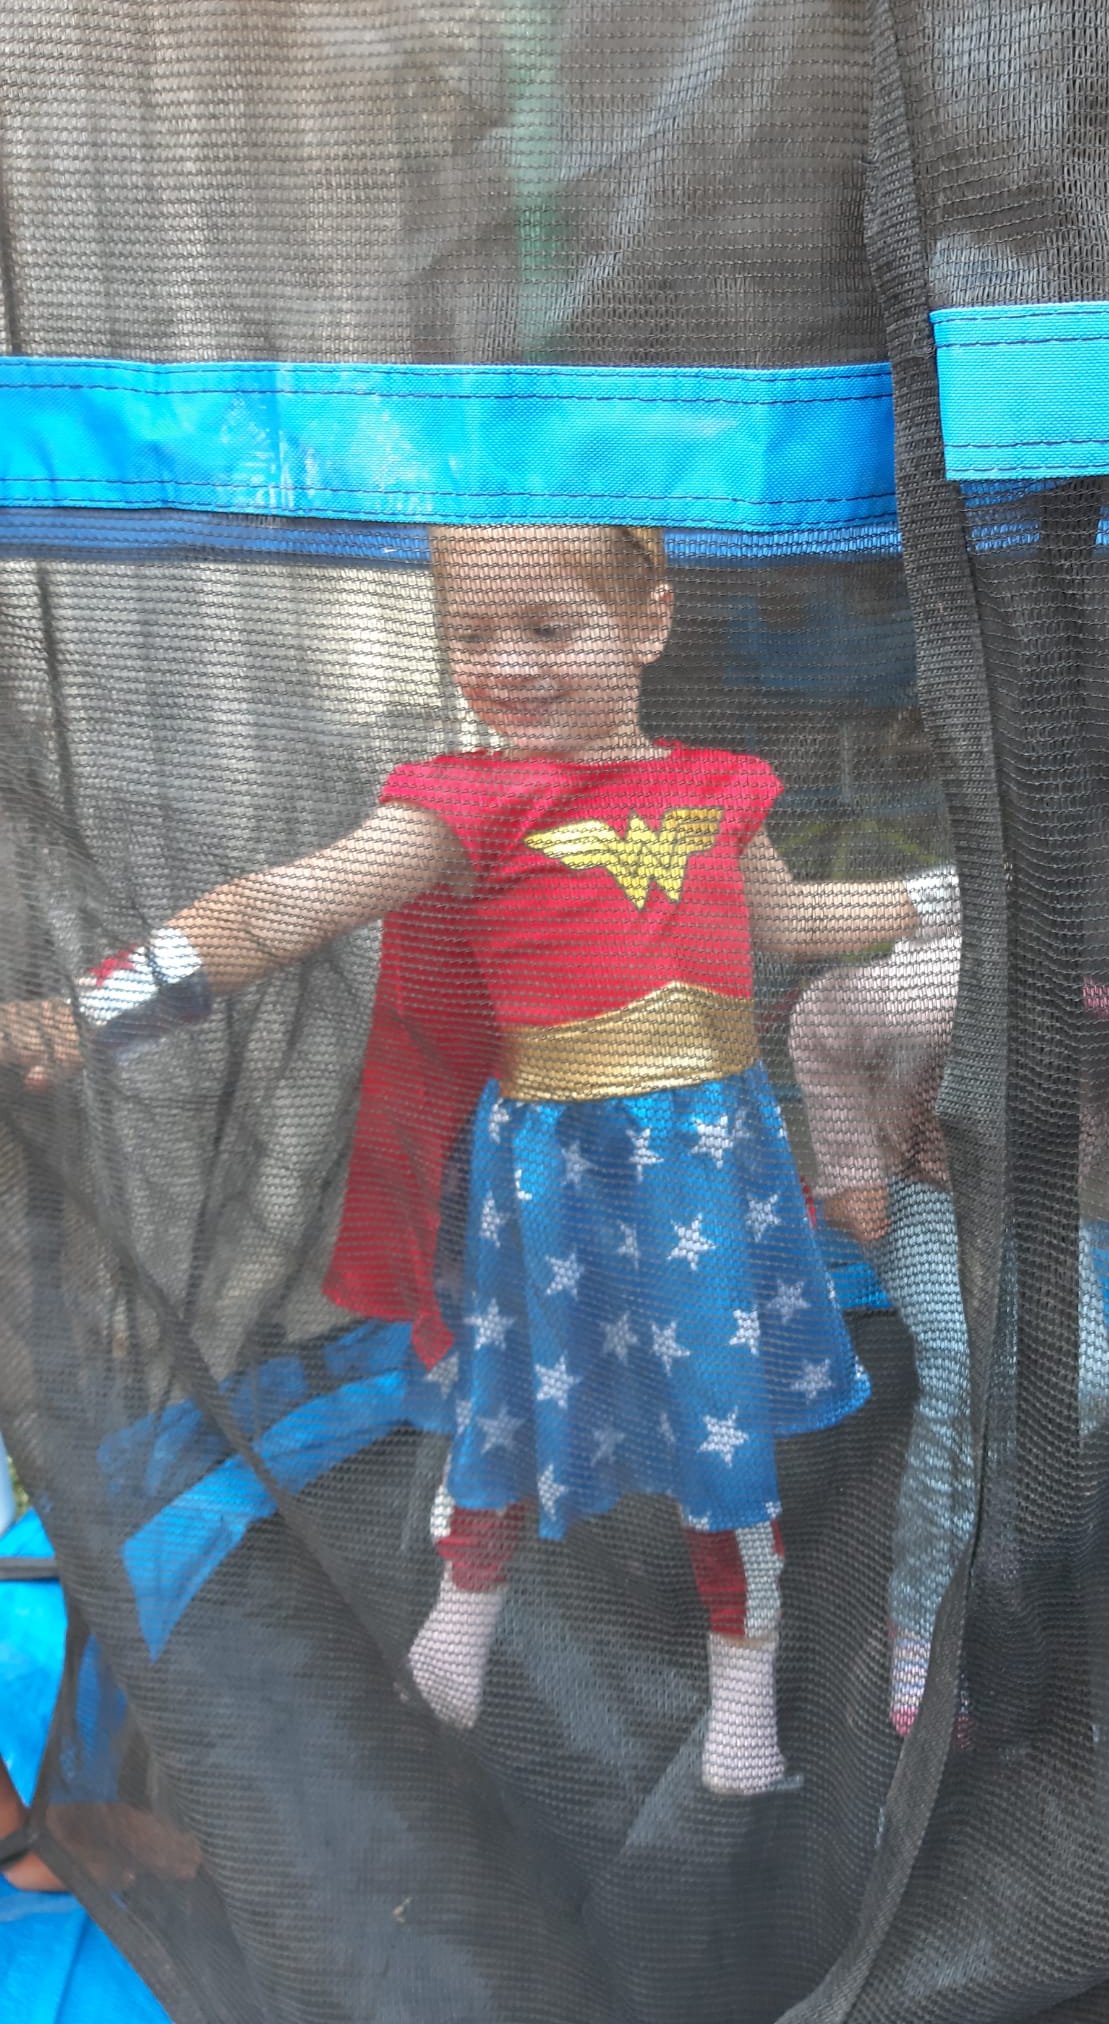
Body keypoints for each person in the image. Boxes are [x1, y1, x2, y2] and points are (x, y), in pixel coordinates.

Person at [0, 524, 956, 1799]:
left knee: (718, 1415)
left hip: (704, 1164)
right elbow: (283, 905)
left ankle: (741, 1697)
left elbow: (790, 919)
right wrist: (93, 1009)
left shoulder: (721, 787)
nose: (505, 663)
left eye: (548, 628)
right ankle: (457, 1636)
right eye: (472, 634)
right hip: (555, 1169)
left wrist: (951, 898)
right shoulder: (462, 804)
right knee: (508, 1388)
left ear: (649, 623)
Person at [790, 835, 1109, 1740]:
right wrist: (850, 1170)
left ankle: (994, 1541)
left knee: (1084, 1384)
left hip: (1038, 1206)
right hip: (922, 1191)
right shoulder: (950, 991)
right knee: (964, 1376)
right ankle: (918, 1614)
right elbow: (818, 1023)